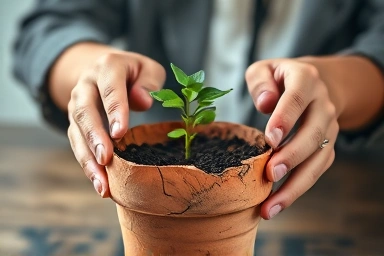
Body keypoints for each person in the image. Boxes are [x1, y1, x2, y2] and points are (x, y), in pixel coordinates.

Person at [13, 0, 384, 221]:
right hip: (143, 194)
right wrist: (90, 72)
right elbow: (47, 28)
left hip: (333, 203)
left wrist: (338, 87)